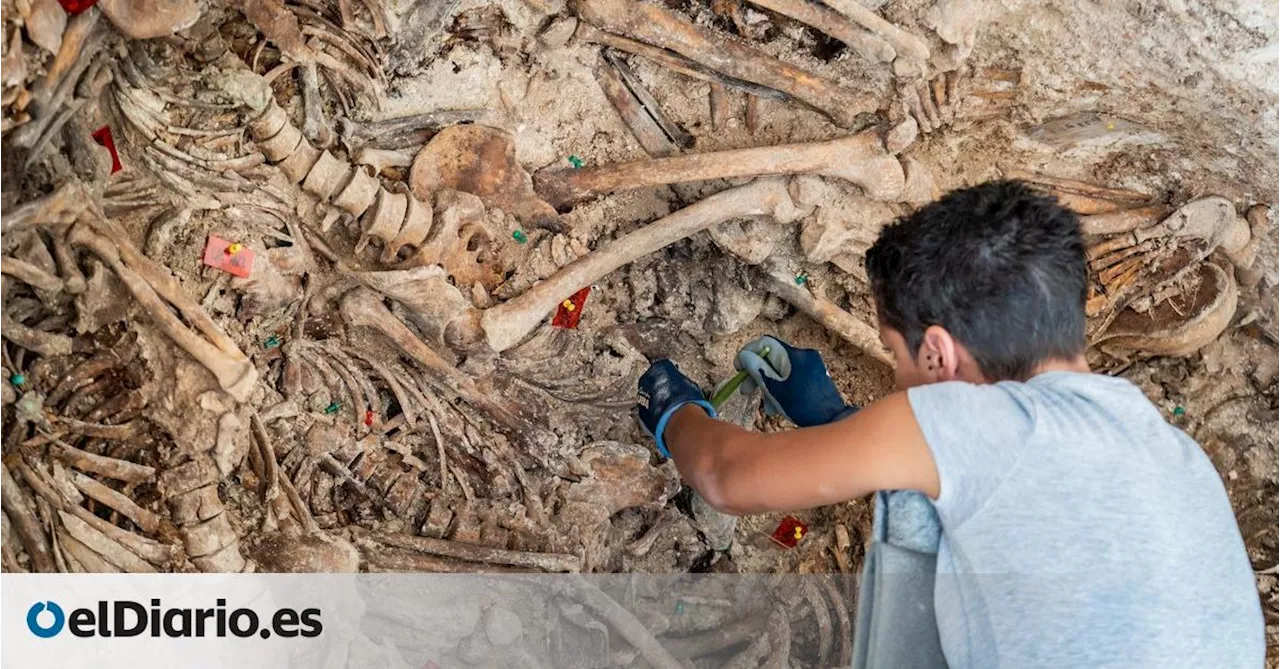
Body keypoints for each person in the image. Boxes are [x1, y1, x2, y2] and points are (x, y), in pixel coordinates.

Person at [636, 181, 1264, 668]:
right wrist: (839, 426)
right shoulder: (1169, 447)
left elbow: (723, 476)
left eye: (895, 352)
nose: (899, 374)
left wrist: (678, 414)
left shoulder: (982, 426)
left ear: (938, 351)